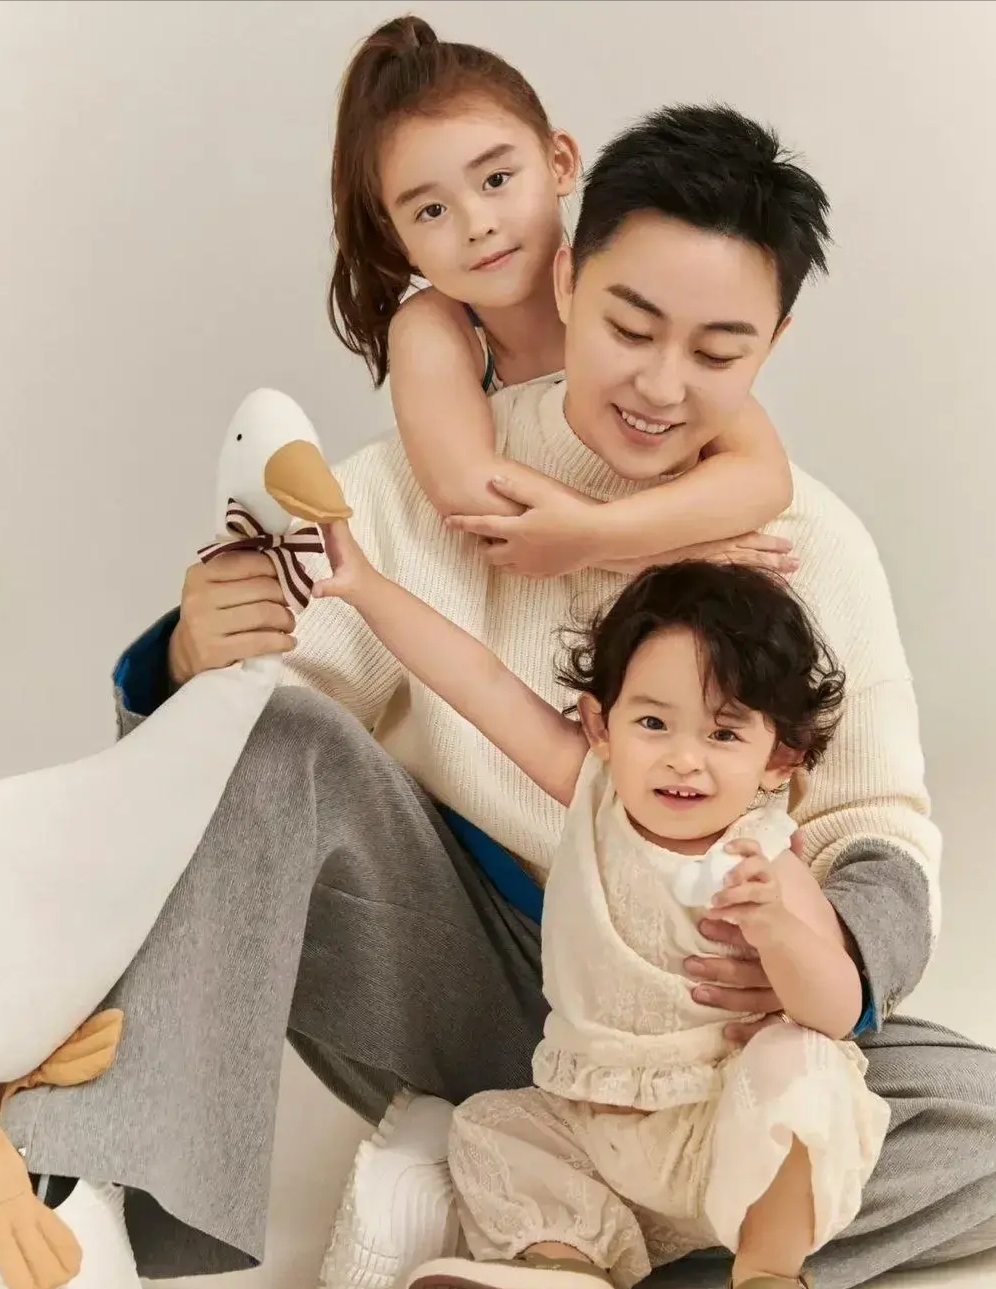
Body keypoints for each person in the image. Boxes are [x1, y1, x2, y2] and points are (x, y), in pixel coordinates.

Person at [3, 101, 994, 1289]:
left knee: (971, 1116)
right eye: (631, 325)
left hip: (712, 1035)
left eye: (719, 351)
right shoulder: (427, 487)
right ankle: (82, 1196)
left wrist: (835, 946)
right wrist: (189, 658)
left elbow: (876, 823)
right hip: (461, 980)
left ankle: (540, 1235)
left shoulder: (811, 542)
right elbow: (241, 768)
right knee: (275, 739)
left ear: (774, 342)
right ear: (568, 279)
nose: (662, 384)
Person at [310, 508, 894, 1289]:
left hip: (718, 1135)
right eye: (654, 722)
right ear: (601, 726)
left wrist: (778, 930)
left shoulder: (763, 857)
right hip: (594, 1122)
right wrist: (365, 586)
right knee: (489, 1127)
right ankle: (563, 1265)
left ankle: (766, 1271)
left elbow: (838, 1006)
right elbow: (475, 679)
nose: (684, 758)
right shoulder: (593, 794)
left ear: (779, 757)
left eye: (724, 733)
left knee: (809, 1068)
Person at [330, 15, 797, 584]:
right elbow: (469, 492)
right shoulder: (436, 328)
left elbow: (764, 478)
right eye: (431, 210)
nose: (477, 225)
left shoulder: (631, 288)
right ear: (397, 237)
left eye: (496, 180)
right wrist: (657, 554)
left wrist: (590, 534)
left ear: (560, 162)